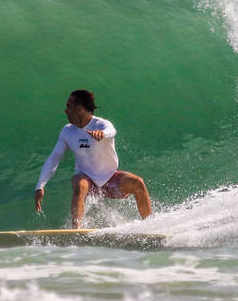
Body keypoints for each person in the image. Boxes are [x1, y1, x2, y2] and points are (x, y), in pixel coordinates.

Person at [34, 89, 152, 228]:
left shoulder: (101, 125)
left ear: (79, 109)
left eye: (68, 106)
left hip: (110, 179)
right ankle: (76, 231)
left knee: (138, 183)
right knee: (80, 184)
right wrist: (40, 185)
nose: (65, 111)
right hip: (87, 179)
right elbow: (54, 159)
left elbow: (111, 131)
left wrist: (102, 134)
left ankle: (150, 225)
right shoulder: (67, 131)